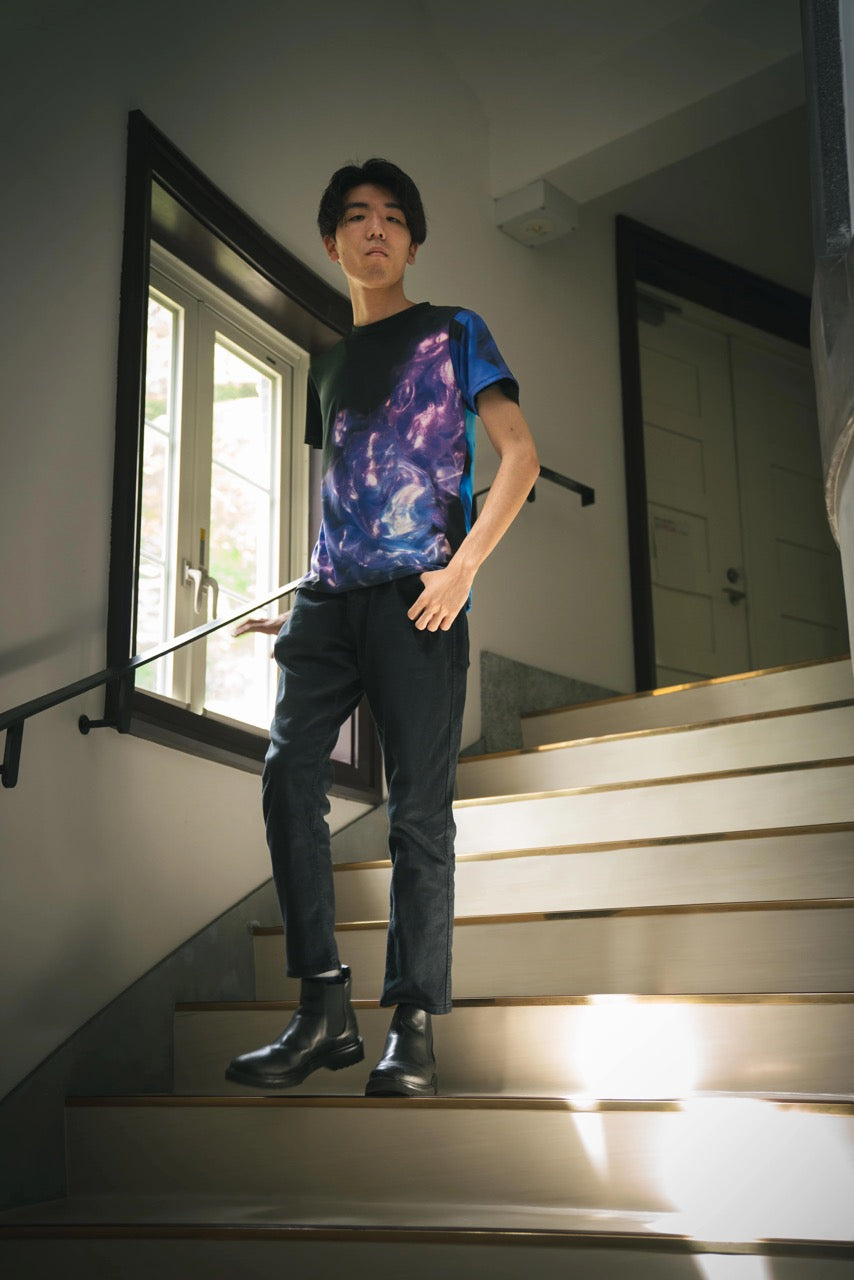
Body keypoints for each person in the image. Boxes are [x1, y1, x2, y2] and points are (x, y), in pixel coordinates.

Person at [225, 158, 539, 1097]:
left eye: (395, 217)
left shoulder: (455, 331)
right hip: (329, 598)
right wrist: (302, 593)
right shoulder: (326, 368)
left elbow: (520, 456)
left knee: (417, 812)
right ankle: (322, 1005)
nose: (376, 229)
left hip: (421, 595)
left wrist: (464, 567)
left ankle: (412, 1026)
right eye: (358, 217)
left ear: (412, 242)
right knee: (288, 774)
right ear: (332, 243)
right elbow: (348, 487)